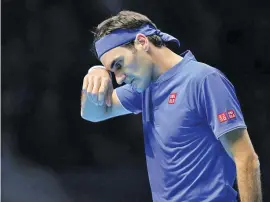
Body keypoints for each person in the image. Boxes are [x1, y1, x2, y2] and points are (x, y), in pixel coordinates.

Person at [81, 10, 262, 202]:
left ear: (142, 42)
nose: (118, 79)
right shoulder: (143, 89)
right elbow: (92, 113)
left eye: (118, 64)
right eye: (112, 71)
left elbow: (246, 159)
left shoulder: (204, 80)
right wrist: (96, 72)